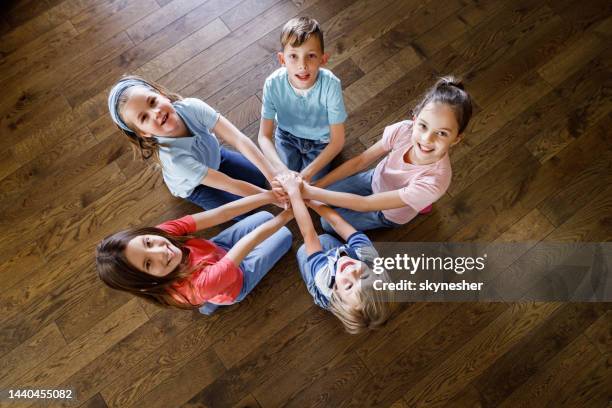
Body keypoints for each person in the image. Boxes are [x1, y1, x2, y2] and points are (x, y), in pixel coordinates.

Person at [302, 76, 473, 232]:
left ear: (456, 139)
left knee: (326, 223)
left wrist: (308, 193)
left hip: (387, 212)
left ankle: (418, 203)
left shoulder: (435, 181)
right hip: (374, 179)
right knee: (324, 197)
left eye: (442, 133)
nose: (427, 139)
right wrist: (315, 187)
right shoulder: (403, 130)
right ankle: (419, 202)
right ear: (414, 118)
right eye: (423, 126)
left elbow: (365, 204)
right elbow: (360, 161)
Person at [108, 75, 286, 215]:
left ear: (162, 95)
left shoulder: (192, 107)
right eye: (144, 118)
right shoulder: (175, 160)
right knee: (245, 210)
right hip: (196, 185)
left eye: (153, 102)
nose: (155, 113)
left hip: (215, 157)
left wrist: (273, 176)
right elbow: (228, 184)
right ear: (143, 133)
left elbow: (238, 139)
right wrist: (271, 197)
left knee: (258, 176)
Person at [96, 191, 292, 315]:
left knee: (266, 215)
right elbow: (252, 240)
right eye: (148, 264)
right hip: (236, 279)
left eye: (147, 242)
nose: (160, 251)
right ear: (146, 284)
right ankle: (214, 301)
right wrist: (292, 211)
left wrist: (270, 195)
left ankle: (207, 303)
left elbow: (221, 213)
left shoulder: (159, 234)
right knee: (283, 233)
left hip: (216, 250)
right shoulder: (201, 286)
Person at [277, 173, 392, 334]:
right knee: (326, 239)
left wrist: (294, 193)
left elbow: (308, 233)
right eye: (364, 276)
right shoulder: (368, 257)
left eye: (349, 285)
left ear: (336, 292)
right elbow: (338, 223)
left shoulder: (324, 280)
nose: (352, 271)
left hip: (325, 275)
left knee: (305, 249)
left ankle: (328, 296)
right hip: (341, 259)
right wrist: (308, 199)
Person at [258, 17, 347, 183]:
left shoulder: (331, 85)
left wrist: (306, 174)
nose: (303, 65)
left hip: (322, 142)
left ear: (323, 59)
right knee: (285, 181)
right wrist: (283, 171)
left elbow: (337, 141)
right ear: (282, 60)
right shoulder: (272, 84)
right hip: (287, 137)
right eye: (293, 56)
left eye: (311, 56)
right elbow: (264, 136)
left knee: (310, 185)